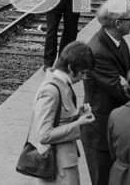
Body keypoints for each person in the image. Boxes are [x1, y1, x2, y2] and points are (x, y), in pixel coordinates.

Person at [81, 1, 130, 185]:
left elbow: (128, 79)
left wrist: (129, 78)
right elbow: (126, 91)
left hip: (115, 127)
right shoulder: (98, 52)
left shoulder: (118, 41)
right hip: (100, 134)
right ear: (118, 24)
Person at [28, 41, 97, 184]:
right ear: (71, 67)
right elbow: (44, 135)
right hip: (58, 167)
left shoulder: (60, 83)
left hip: (62, 162)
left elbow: (59, 118)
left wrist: (78, 115)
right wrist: (79, 123)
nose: (84, 77)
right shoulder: (51, 90)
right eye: (83, 72)